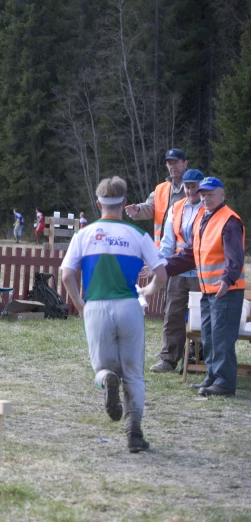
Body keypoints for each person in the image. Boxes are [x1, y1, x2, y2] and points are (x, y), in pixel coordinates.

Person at [61, 176, 167, 453]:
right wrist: (149, 291)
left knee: (101, 368)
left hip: (96, 306)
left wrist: (81, 304)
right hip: (129, 306)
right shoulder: (138, 235)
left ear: (98, 204)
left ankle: (108, 379)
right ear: (124, 202)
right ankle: (134, 432)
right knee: (134, 374)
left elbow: (67, 274)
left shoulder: (83, 234)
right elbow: (161, 274)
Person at [160, 177, 245, 397]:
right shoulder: (202, 220)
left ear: (222, 195)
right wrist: (163, 268)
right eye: (203, 194)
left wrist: (227, 280)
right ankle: (213, 378)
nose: (205, 197)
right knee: (208, 335)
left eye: (210, 194)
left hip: (226, 290)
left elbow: (235, 258)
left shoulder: (229, 221)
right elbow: (188, 255)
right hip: (208, 291)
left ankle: (225, 383)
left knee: (221, 337)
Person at [148, 169, 205, 373]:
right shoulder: (176, 207)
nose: (190, 191)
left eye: (194, 186)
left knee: (200, 317)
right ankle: (169, 358)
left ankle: (196, 359)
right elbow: (168, 240)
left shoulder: (208, 209)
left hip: (200, 272)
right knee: (172, 314)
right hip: (178, 270)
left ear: (202, 187)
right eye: (187, 187)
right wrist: (161, 264)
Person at [125, 148, 188, 247]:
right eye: (169, 163)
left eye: (176, 162)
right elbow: (150, 207)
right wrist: (138, 210)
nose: (172, 166)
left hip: (185, 250)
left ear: (185, 163)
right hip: (162, 249)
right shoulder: (160, 189)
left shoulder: (193, 187)